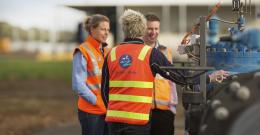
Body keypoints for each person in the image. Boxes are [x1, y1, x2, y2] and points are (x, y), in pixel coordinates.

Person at [101, 9, 228, 135]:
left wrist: (113, 110)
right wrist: (209, 77)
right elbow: (181, 77)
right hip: (137, 122)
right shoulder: (149, 53)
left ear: (124, 29)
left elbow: (104, 90)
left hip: (113, 121)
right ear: (142, 29)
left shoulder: (112, 53)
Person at [72, 14, 110, 135]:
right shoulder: (82, 51)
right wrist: (97, 101)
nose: (106, 33)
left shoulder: (107, 51)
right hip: (91, 112)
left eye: (108, 30)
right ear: (92, 29)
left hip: (106, 110)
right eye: (103, 29)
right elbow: (78, 85)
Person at [143, 13, 177, 135]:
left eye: (156, 28)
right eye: (150, 28)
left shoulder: (166, 51)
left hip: (164, 112)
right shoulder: (137, 50)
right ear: (143, 29)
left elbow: (171, 81)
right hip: (142, 111)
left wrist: (173, 107)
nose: (153, 32)